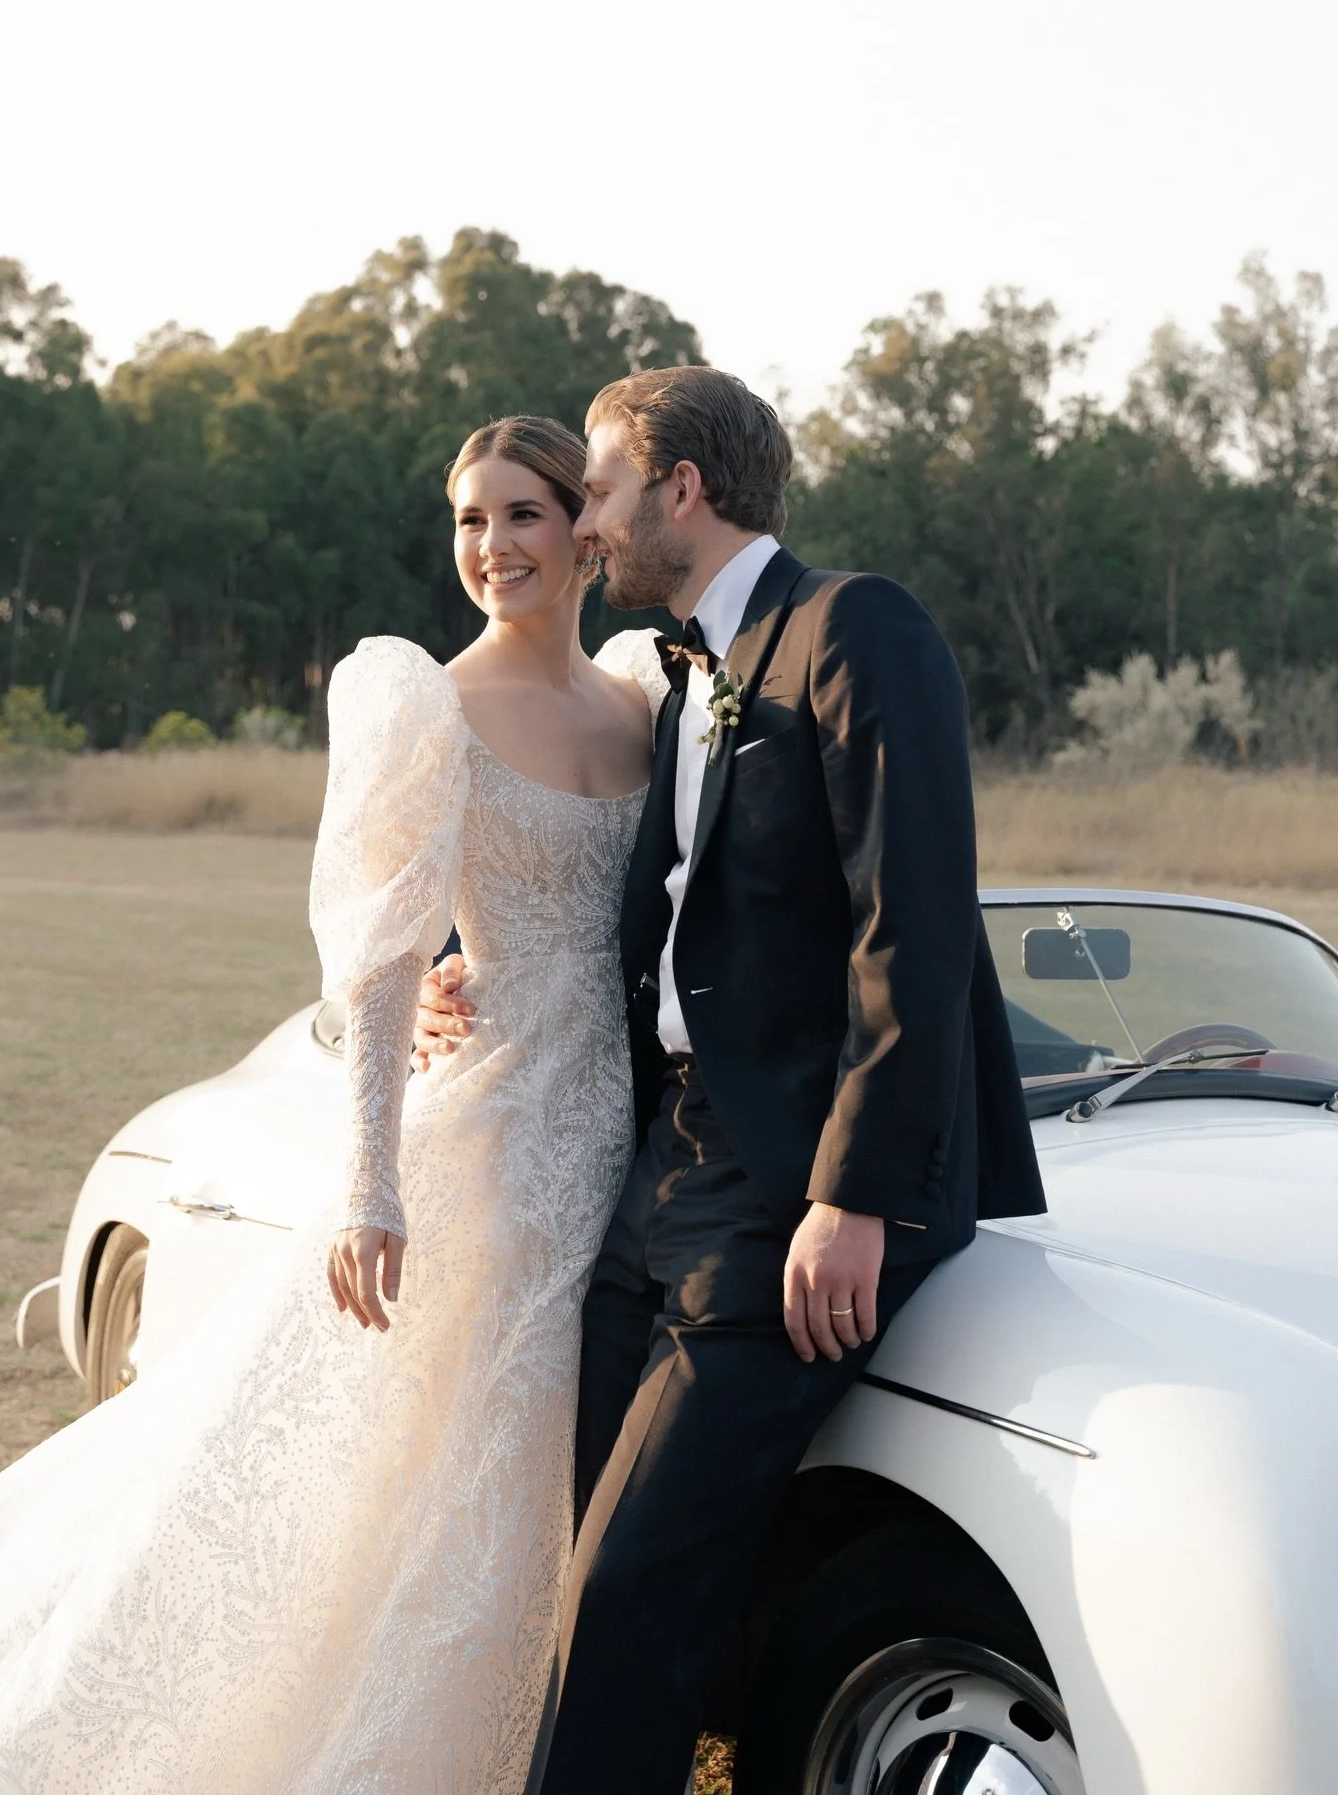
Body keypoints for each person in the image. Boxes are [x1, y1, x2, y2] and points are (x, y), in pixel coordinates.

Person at [0, 416, 672, 1795]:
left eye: (520, 514)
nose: (490, 546)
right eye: (468, 519)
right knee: (470, 1462)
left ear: (583, 529)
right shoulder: (428, 705)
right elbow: (388, 958)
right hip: (492, 1131)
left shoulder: (643, 698)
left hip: (620, 1124)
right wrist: (371, 1180)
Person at [414, 367, 1045, 1794]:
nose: (586, 523)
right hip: (662, 1171)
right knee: (576, 1539)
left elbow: (918, 922)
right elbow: (610, 900)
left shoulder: (852, 629)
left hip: (791, 1196)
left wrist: (854, 1193)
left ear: (681, 491)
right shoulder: (676, 671)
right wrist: (450, 975)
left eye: (605, 492)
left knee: (632, 1579)